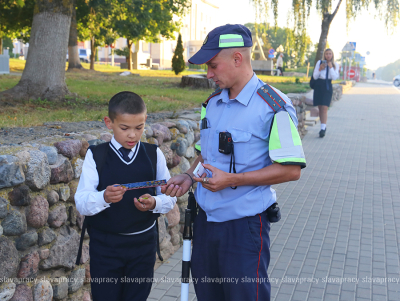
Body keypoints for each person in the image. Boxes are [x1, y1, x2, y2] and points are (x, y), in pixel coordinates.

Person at [161, 24, 306, 301]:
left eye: (213, 66)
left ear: (237, 59)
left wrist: (233, 180)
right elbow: (208, 155)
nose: (208, 74)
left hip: (244, 228)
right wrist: (190, 177)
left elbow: (291, 169)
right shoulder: (212, 103)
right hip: (206, 222)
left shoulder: (274, 106)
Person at [75, 91, 176, 301]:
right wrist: (103, 197)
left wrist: (154, 202)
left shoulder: (152, 154)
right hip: (106, 247)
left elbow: (169, 196)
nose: (132, 135)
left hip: (143, 246)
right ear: (108, 123)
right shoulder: (97, 156)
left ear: (145, 120)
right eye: (124, 128)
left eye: (139, 128)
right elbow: (82, 203)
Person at [312, 48, 339, 138]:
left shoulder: (335, 65)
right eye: (327, 54)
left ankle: (323, 128)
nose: (328, 55)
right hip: (319, 86)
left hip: (328, 87)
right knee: (320, 108)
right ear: (324, 55)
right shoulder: (319, 63)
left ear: (332, 55)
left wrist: (330, 67)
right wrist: (320, 68)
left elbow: (335, 77)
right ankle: (322, 126)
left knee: (324, 108)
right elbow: (315, 76)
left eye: (330, 54)